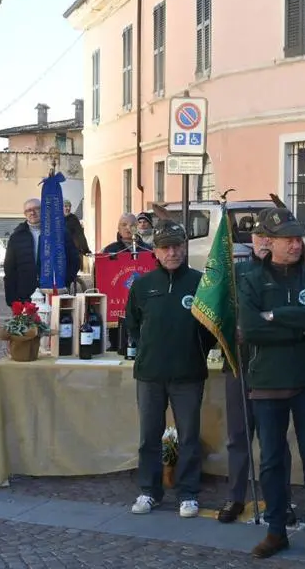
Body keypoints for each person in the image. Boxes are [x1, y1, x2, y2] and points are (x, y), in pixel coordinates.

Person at [238, 208, 305, 564]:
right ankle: (276, 530)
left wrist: (276, 316)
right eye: (287, 239)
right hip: (267, 381)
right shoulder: (250, 278)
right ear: (270, 243)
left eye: (298, 239)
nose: (295, 245)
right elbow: (250, 328)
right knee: (272, 461)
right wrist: (299, 327)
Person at [125, 220, 217, 518]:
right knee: (148, 437)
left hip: (188, 373)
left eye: (177, 246)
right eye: (166, 248)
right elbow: (133, 325)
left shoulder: (200, 283)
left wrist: (197, 349)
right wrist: (147, 349)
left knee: (189, 436)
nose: (173, 252)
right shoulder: (142, 286)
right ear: (156, 251)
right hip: (150, 373)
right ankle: (149, 491)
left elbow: (210, 327)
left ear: (184, 247)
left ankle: (188, 493)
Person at [218, 209, 295, 526]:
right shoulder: (236, 275)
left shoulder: (292, 276)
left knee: (274, 439)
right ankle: (236, 496)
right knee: (238, 436)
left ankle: (282, 501)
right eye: (261, 235)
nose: (265, 242)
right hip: (240, 363)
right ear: (252, 239)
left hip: (275, 367)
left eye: (271, 237)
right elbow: (217, 312)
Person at [3, 198, 80, 306]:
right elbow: (9, 270)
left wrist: (64, 281)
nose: (32, 212)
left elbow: (74, 260)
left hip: (54, 293)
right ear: (25, 214)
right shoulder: (17, 237)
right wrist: (12, 300)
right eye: (28, 210)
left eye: (36, 209)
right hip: (25, 296)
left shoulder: (59, 233)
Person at [103, 213, 153, 350]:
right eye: (123, 225)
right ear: (118, 229)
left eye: (131, 225)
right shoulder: (110, 251)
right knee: (118, 340)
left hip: (142, 302)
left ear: (137, 227)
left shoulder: (147, 250)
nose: (127, 228)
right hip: (118, 302)